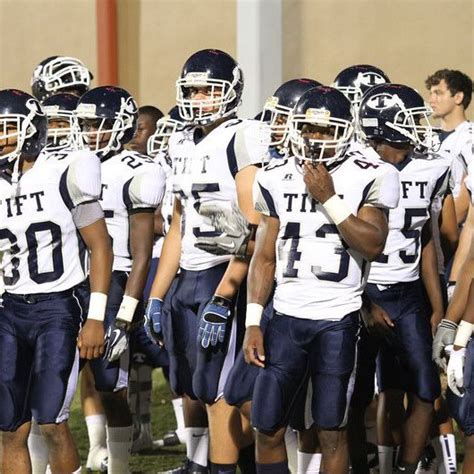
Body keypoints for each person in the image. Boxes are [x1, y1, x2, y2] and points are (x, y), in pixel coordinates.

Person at [244, 85, 399, 474]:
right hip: (285, 316)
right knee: (267, 426)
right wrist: (253, 321)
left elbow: (373, 244)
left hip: (337, 319)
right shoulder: (274, 176)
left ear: (346, 131)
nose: (316, 139)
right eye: (309, 129)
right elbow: (264, 256)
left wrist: (328, 198)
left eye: (326, 130)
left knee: (331, 430)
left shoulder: (372, 174)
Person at [146, 48, 270, 474]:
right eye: (193, 90)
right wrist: (158, 295)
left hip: (225, 271)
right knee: (198, 390)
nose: (198, 98)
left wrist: (225, 294)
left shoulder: (242, 136)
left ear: (231, 92)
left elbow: (254, 229)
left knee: (220, 395)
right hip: (189, 276)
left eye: (208, 90)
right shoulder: (180, 140)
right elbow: (178, 225)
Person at [0, 89, 112, 474]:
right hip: (10, 309)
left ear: (31, 129)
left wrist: (96, 316)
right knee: (9, 428)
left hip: (58, 308)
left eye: (7, 129)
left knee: (52, 421)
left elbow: (100, 245)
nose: (1, 138)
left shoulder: (65, 171)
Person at [355, 83, 450, 474]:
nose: (419, 128)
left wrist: (437, 305)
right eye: (409, 121)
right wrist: (364, 302)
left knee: (425, 389)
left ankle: (405, 468)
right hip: (360, 290)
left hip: (409, 292)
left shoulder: (432, 167)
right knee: (356, 395)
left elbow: (424, 237)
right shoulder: (354, 166)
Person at [76, 85, 166, 473]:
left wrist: (126, 314)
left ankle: (120, 467)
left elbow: (141, 253)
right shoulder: (70, 163)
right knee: (48, 383)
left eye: (100, 124)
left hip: (115, 280)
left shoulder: (140, 170)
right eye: (86, 124)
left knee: (112, 387)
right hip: (70, 279)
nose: (91, 132)